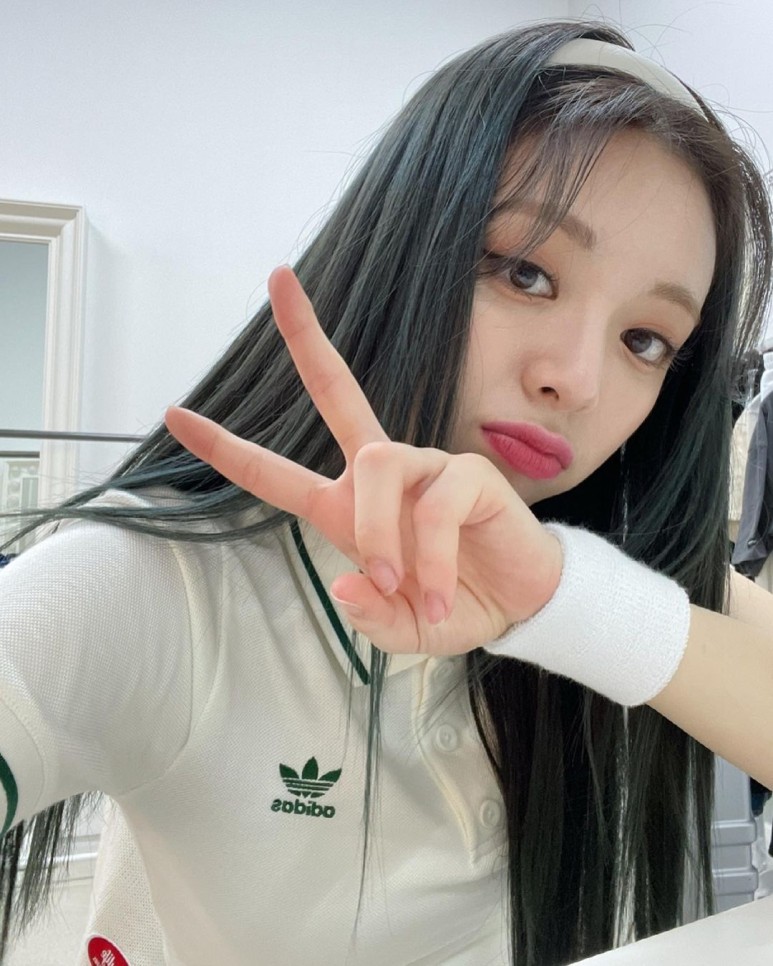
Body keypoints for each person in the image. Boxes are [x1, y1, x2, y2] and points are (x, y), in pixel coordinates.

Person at [2, 18, 773, 966]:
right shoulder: (159, 580)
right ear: (402, 243)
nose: (575, 379)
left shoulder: (607, 577)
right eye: (525, 272)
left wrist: (564, 601)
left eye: (643, 340)